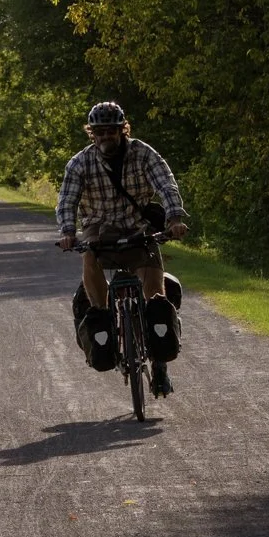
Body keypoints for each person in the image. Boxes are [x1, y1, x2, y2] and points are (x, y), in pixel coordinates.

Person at [55, 101, 191, 394]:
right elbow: (67, 200)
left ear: (122, 130)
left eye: (112, 130)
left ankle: (160, 365)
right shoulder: (80, 162)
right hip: (98, 226)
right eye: (100, 131)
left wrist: (175, 218)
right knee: (89, 255)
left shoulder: (143, 153)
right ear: (92, 134)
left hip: (138, 225)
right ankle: (101, 315)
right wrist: (67, 232)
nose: (106, 136)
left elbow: (166, 184)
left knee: (154, 294)